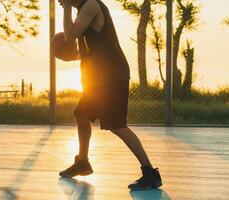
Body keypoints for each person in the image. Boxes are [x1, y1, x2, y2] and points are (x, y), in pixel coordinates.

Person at [58, 0, 162, 190]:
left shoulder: (91, 5)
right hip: (98, 78)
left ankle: (150, 173)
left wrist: (65, 8)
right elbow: (87, 49)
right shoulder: (83, 10)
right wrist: (69, 55)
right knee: (81, 115)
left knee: (117, 125)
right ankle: (82, 162)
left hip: (111, 76)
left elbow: (70, 35)